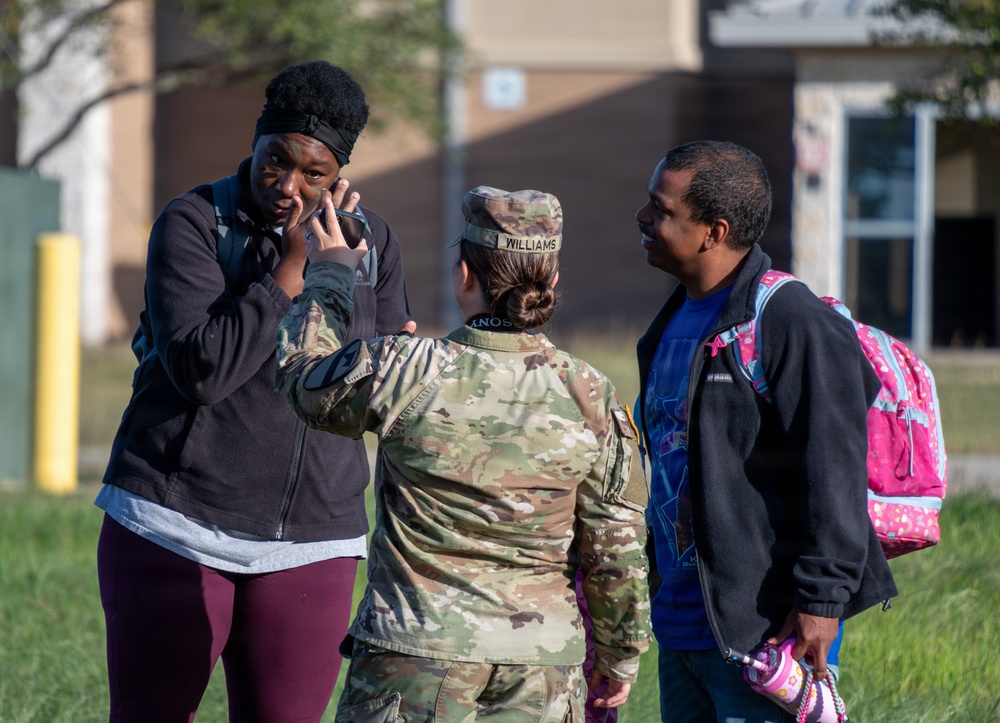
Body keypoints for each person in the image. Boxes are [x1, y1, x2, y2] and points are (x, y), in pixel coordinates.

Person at [95, 61, 412, 722]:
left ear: (339, 175)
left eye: (312, 174)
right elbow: (201, 372)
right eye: (275, 162)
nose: (287, 187)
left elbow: (367, 395)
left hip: (314, 538)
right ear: (256, 141)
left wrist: (399, 362)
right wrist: (293, 270)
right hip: (173, 518)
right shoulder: (193, 223)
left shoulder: (372, 244)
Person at [276, 185, 652, 722]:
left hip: (413, 655)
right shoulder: (590, 393)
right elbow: (615, 543)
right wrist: (620, 655)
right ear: (552, 279)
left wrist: (333, 272)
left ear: (465, 275)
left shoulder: (407, 368)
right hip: (541, 669)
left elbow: (302, 379)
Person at [633, 140, 897, 722]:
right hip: (682, 625)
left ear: (713, 231)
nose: (643, 218)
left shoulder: (792, 321)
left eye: (662, 209)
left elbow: (834, 469)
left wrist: (821, 601)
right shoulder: (670, 322)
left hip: (766, 632)